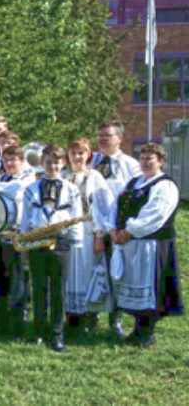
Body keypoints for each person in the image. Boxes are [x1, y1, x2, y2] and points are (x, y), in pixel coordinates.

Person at [109, 143, 183, 346]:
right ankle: (138, 329)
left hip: (152, 245)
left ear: (160, 161)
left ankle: (146, 332)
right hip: (130, 244)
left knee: (150, 289)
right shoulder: (133, 183)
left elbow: (154, 215)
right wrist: (112, 228)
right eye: (142, 158)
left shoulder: (165, 185)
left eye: (150, 158)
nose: (145, 162)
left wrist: (128, 231)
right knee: (132, 285)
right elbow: (116, 206)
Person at [20, 144, 83, 352]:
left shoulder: (72, 189)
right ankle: (38, 331)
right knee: (38, 288)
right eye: (48, 162)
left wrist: (77, 242)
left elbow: (76, 218)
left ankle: (57, 334)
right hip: (38, 240)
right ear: (41, 163)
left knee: (59, 291)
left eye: (57, 162)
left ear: (63, 163)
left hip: (61, 242)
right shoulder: (31, 189)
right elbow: (27, 217)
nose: (53, 166)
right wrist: (25, 239)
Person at [91, 121, 142, 337]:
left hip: (118, 229)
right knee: (92, 271)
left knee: (117, 274)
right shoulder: (92, 161)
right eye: (100, 135)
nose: (103, 139)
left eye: (108, 135)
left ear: (120, 138)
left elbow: (136, 197)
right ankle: (90, 316)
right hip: (93, 227)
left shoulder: (131, 165)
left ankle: (116, 319)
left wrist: (120, 229)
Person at [0, 145, 36, 335]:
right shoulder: (1, 178)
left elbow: (15, 189)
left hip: (18, 235)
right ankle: (1, 318)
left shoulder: (27, 178)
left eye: (13, 160)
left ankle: (19, 320)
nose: (9, 164)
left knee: (18, 279)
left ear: (21, 161)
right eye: (6, 160)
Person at [63, 139, 115, 328]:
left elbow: (103, 207)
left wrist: (99, 234)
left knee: (87, 271)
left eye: (81, 153)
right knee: (68, 273)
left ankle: (89, 315)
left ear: (88, 155)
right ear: (67, 156)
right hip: (66, 231)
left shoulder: (94, 177)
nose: (77, 157)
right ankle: (71, 316)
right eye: (73, 153)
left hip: (87, 230)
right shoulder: (63, 176)